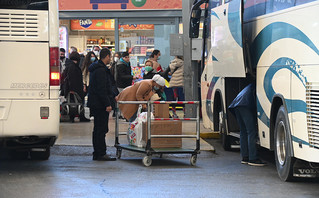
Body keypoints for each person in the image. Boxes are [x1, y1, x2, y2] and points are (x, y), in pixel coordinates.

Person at [87, 48, 116, 161]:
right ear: (107, 56)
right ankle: (100, 153)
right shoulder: (101, 70)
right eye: (110, 56)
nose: (111, 59)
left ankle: (98, 152)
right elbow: (102, 89)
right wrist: (107, 104)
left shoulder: (97, 68)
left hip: (96, 103)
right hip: (100, 104)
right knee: (101, 129)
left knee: (98, 129)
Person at [228, 83, 266, 166]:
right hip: (245, 105)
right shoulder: (260, 86)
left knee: (243, 132)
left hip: (237, 105)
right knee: (251, 132)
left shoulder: (251, 85)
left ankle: (245, 157)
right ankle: (253, 158)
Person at [63, 52, 90, 122]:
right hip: (75, 89)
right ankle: (79, 116)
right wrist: (72, 89)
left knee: (72, 103)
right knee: (76, 102)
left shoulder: (69, 65)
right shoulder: (73, 67)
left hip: (72, 88)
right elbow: (72, 79)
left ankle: (73, 116)